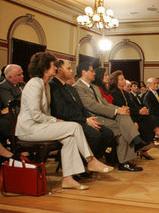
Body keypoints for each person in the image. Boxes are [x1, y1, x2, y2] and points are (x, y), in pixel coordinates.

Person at [15, 52, 113, 190]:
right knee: (74, 127)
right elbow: (36, 115)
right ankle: (90, 160)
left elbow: (44, 114)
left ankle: (68, 178)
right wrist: (56, 120)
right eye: (53, 66)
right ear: (44, 67)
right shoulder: (34, 84)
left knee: (70, 138)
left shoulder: (46, 85)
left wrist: (55, 120)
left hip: (40, 126)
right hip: (28, 129)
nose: (56, 68)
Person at [74, 62, 150, 171]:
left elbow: (105, 103)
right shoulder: (78, 87)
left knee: (124, 119)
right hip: (93, 118)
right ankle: (132, 150)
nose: (94, 73)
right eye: (91, 70)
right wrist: (117, 110)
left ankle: (129, 154)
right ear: (83, 72)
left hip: (104, 116)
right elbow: (92, 106)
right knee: (123, 126)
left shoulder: (94, 87)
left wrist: (120, 109)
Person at [50, 60, 114, 160]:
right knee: (95, 135)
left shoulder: (70, 88)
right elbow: (62, 111)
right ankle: (82, 164)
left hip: (80, 119)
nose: (71, 71)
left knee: (107, 133)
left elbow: (81, 107)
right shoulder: (53, 86)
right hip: (67, 122)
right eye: (68, 68)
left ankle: (93, 160)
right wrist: (85, 120)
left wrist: (89, 118)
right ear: (59, 70)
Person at [109, 71, 159, 160]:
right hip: (122, 116)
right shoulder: (114, 93)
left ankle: (146, 142)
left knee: (146, 116)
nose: (124, 81)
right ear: (116, 81)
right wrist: (139, 112)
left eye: (124, 79)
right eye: (122, 79)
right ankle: (152, 134)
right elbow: (122, 107)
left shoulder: (125, 93)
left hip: (130, 114)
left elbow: (132, 105)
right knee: (143, 118)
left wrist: (141, 110)